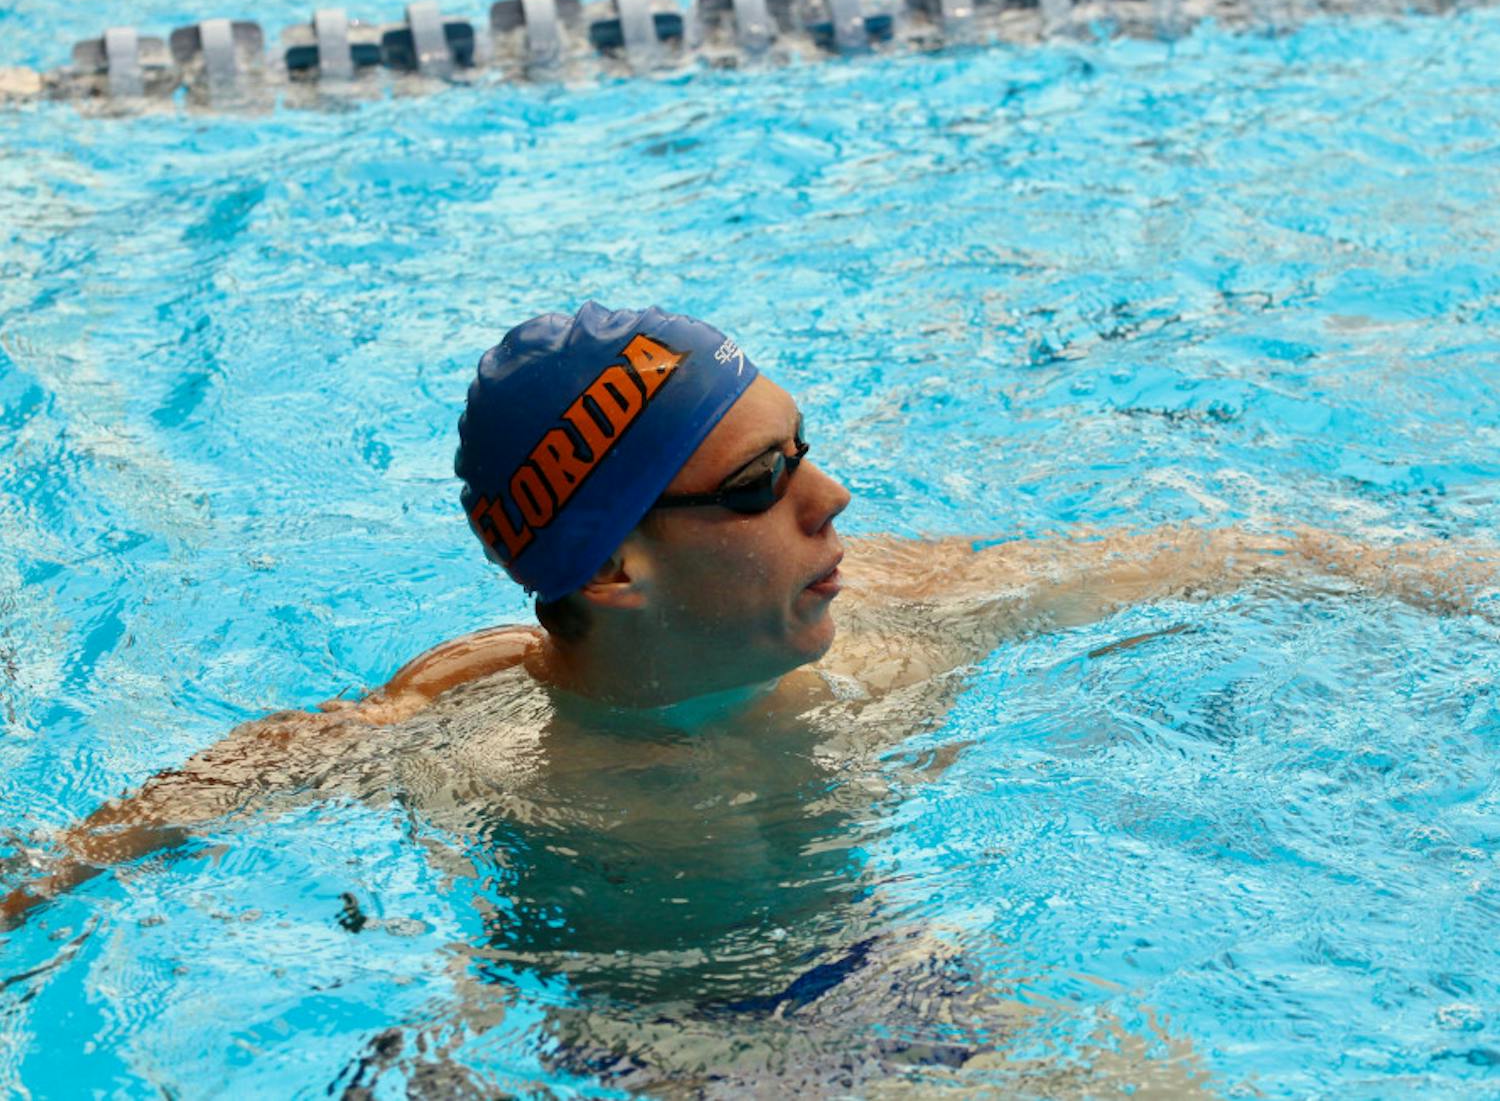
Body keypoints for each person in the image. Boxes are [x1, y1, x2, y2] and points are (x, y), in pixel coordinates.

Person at [3, 303, 1491, 1093]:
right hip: (644, 1050)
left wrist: (1442, 574)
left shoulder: (902, 620)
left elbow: (1209, 554)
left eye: (807, 450)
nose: (835, 500)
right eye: (768, 484)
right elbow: (158, 821)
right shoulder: (480, 740)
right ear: (617, 566)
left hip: (904, 988)